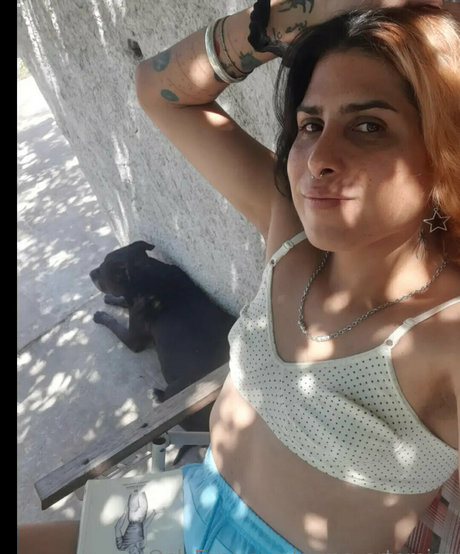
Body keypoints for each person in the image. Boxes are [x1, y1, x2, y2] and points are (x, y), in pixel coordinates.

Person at [18, 1, 460, 553]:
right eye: (310, 124)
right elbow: (161, 90)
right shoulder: (291, 237)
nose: (318, 157)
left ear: (444, 150)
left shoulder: (446, 335)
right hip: (179, 509)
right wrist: (318, 10)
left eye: (369, 126)